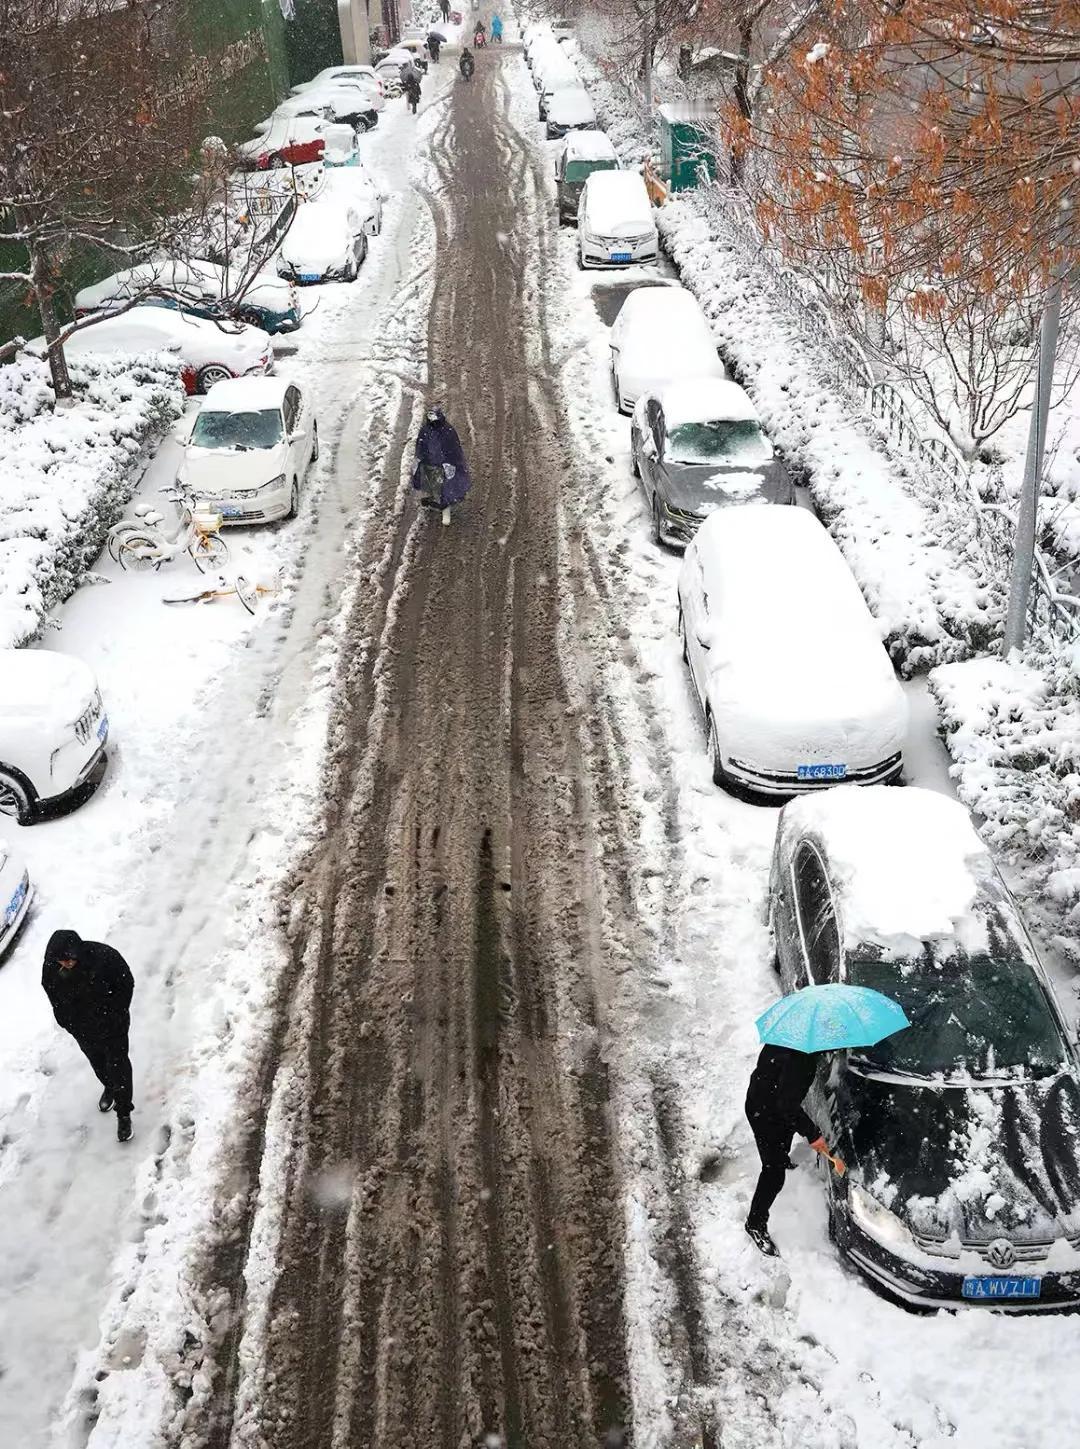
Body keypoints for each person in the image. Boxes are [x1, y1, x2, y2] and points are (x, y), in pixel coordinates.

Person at [743, 1044, 843, 1255]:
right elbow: (786, 1105)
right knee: (773, 1172)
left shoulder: (790, 1040)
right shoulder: (800, 1060)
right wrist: (813, 1134)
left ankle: (781, 1154)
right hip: (764, 1113)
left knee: (784, 1136)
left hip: (767, 1099)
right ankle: (755, 1223)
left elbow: (785, 1098)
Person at [42, 929, 135, 1143]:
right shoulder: (51, 968)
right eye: (60, 960)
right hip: (83, 1030)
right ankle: (110, 1087)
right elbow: (53, 996)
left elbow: (126, 983)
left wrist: (115, 1014)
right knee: (99, 1063)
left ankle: (123, 1112)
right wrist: (67, 1022)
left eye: (68, 959)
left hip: (113, 1028)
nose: (65, 964)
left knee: (118, 1065)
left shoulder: (103, 957)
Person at [411, 405, 471, 523]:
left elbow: (454, 449)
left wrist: (450, 463)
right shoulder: (425, 430)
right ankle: (435, 501)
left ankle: (445, 512)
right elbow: (420, 445)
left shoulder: (447, 431)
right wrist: (419, 459)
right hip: (430, 464)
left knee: (445, 489)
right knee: (433, 485)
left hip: (443, 465)